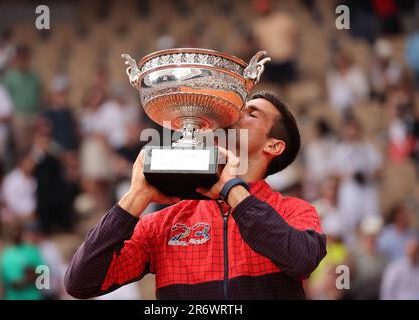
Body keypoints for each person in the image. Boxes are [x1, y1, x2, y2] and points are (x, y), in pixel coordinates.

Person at [65, 91, 327, 300]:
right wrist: (135, 196)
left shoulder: (295, 211)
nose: (236, 113)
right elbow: (81, 283)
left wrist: (232, 189)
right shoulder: (163, 224)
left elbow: (301, 261)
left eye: (252, 113)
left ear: (274, 145)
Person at [0, 45, 41, 154]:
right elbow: (3, 97)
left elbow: (39, 95)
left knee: (34, 147)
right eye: (20, 57)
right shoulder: (10, 77)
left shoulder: (34, 76)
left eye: (24, 57)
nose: (22, 60)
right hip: (18, 116)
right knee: (21, 148)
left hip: (33, 114)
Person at [0, 222, 45, 300]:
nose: (16, 233)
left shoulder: (32, 251)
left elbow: (44, 279)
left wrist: (31, 276)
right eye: (13, 230)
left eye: (18, 230)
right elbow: (2, 283)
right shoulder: (5, 254)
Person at [1, 149, 37, 223]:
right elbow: (9, 200)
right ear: (21, 163)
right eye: (28, 162)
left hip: (31, 216)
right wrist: (23, 214)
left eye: (32, 162)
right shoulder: (11, 179)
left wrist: (31, 213)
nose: (31, 165)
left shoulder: (34, 180)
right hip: (16, 216)